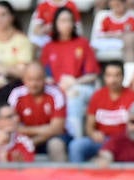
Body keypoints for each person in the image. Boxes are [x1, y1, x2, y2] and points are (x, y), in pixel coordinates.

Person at [42, 6, 99, 140]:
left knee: (74, 94)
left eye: (69, 20)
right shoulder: (48, 47)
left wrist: (74, 82)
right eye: (62, 20)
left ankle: (75, 139)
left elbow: (92, 75)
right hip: (56, 89)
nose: (66, 24)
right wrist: (57, 84)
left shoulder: (83, 43)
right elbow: (45, 75)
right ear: (55, 23)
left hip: (81, 87)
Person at [70, 59, 134, 162]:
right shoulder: (97, 96)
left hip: (123, 142)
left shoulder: (133, 97)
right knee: (76, 146)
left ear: (123, 77)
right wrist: (93, 133)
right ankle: (78, 178)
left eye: (117, 75)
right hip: (101, 140)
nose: (113, 80)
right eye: (109, 75)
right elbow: (89, 126)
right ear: (104, 77)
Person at [7, 61, 68, 160]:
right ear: (23, 80)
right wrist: (27, 141)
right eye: (30, 80)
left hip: (52, 138)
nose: (33, 84)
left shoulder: (56, 94)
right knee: (8, 144)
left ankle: (60, 175)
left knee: (56, 145)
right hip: (25, 139)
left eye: (38, 80)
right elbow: (11, 125)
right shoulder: (16, 94)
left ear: (45, 79)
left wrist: (27, 134)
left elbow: (57, 129)